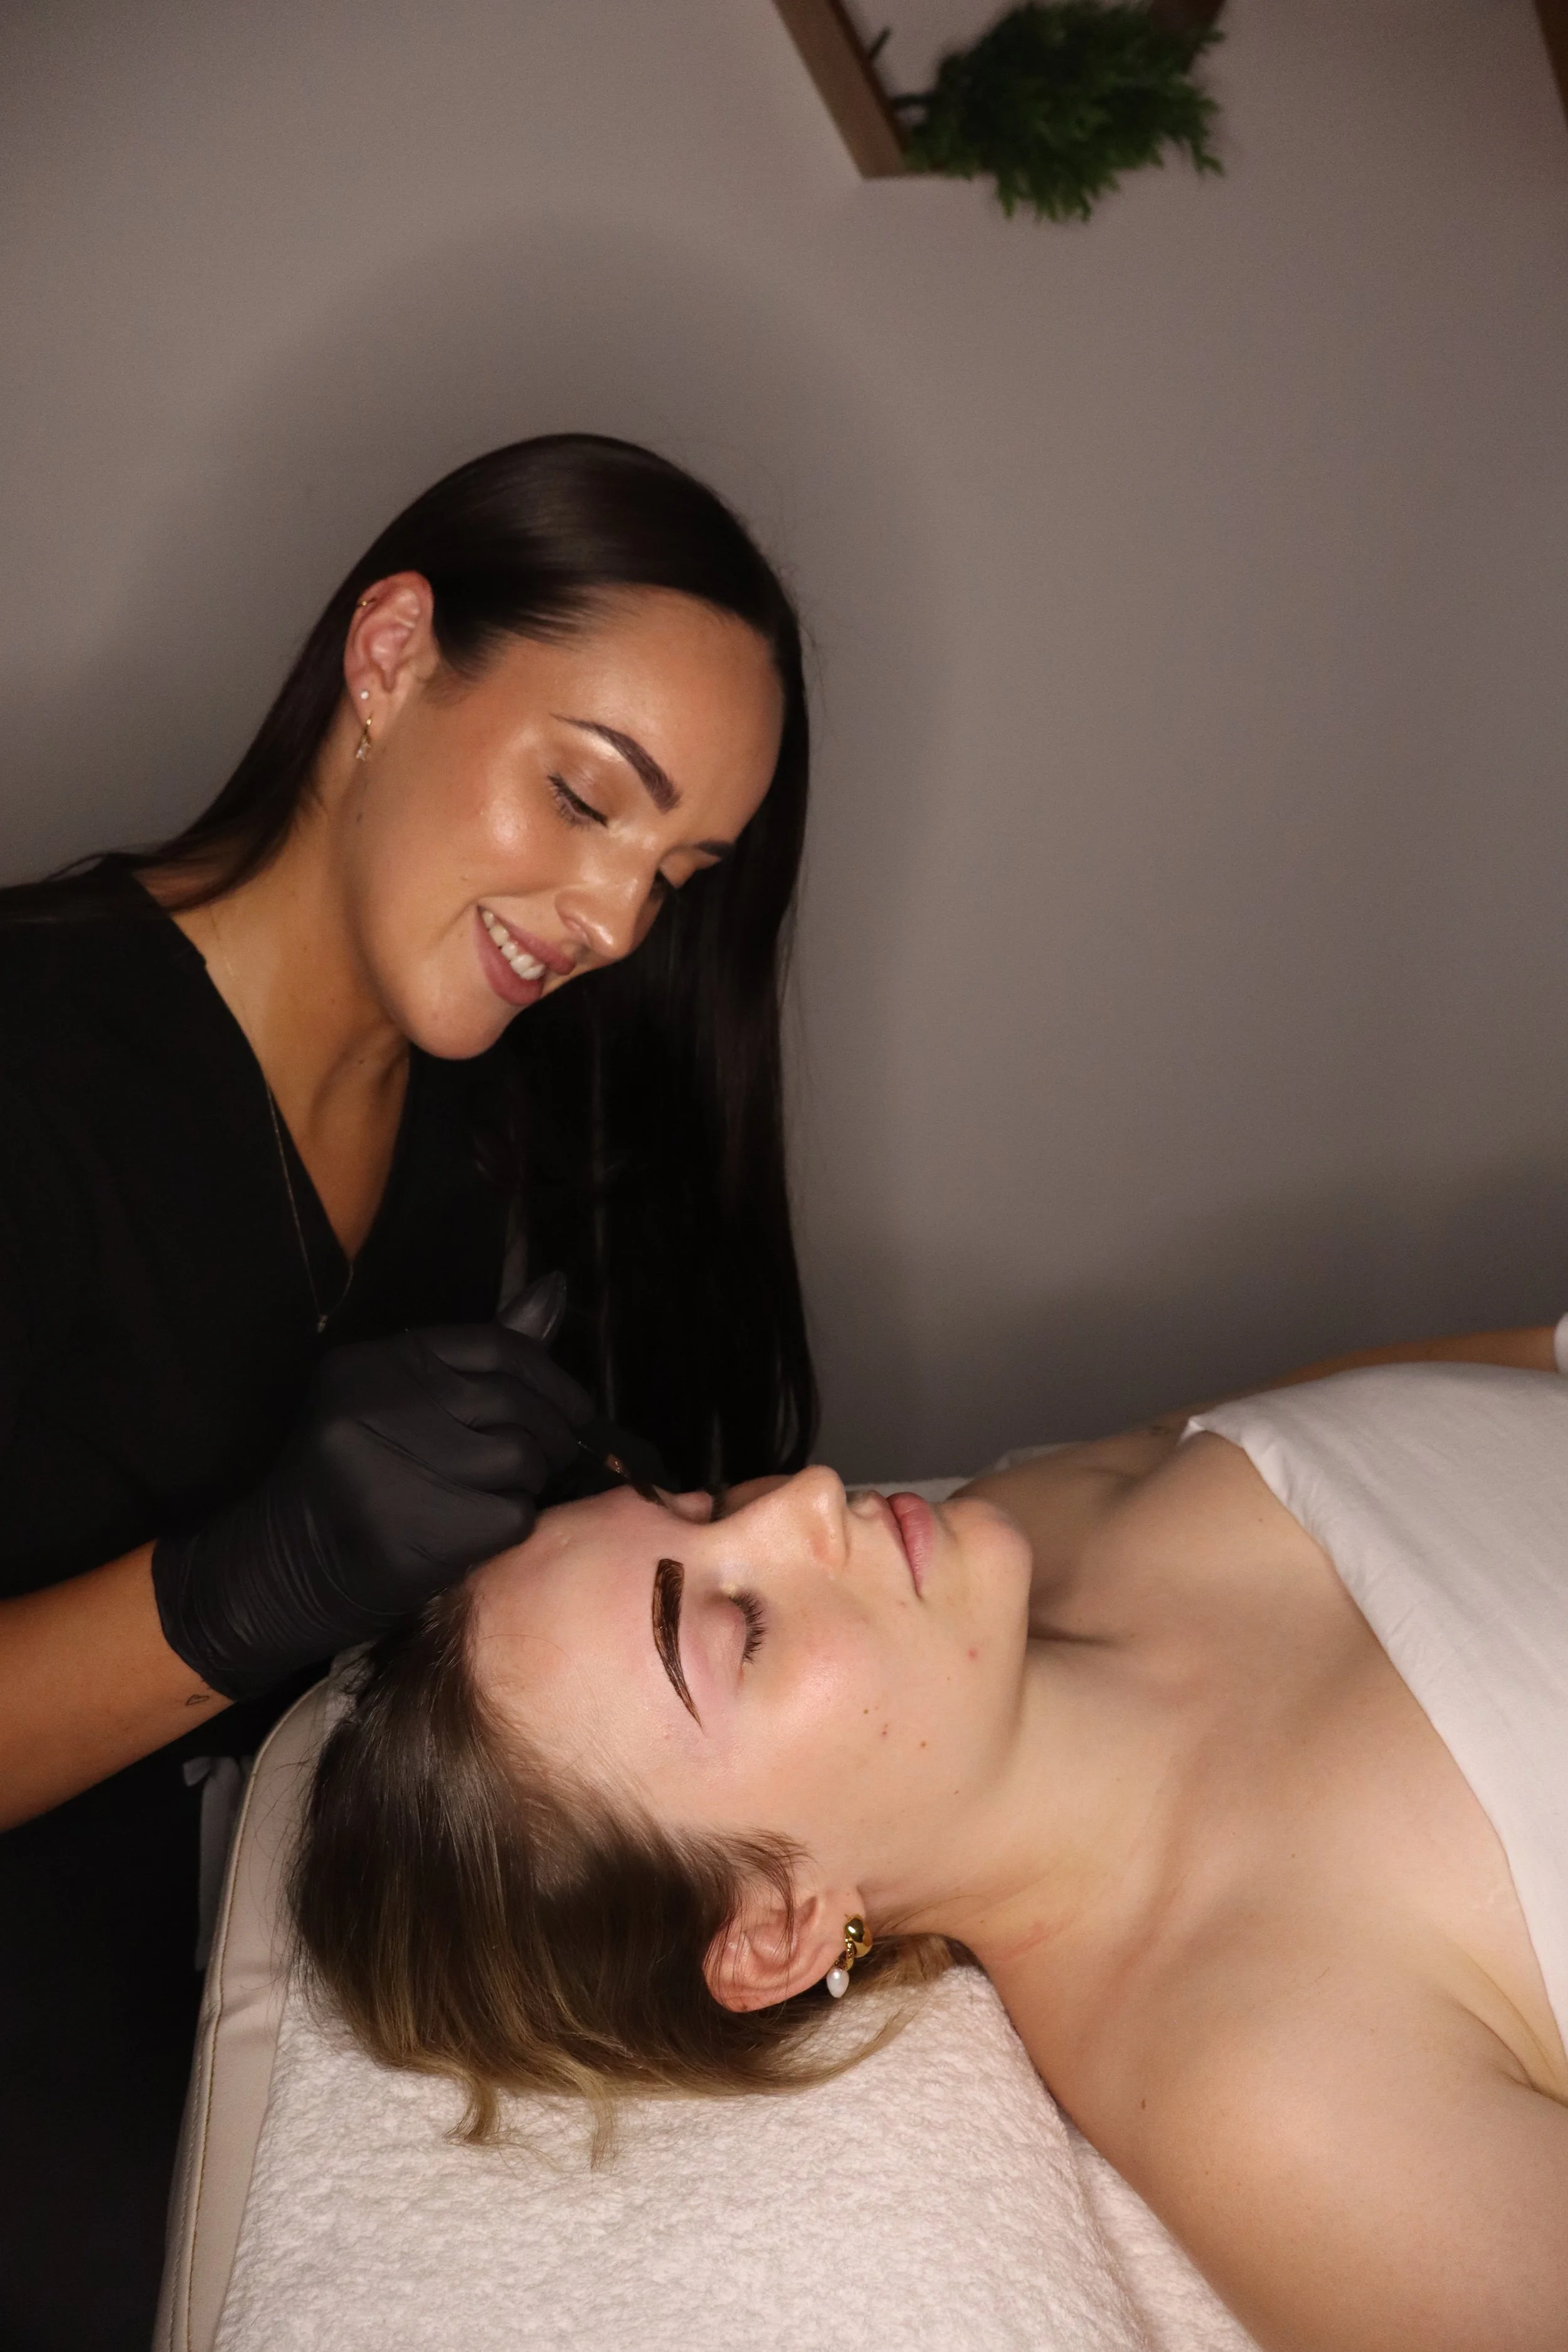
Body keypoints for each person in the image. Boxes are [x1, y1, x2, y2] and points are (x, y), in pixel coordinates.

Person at [0, 432, 818, 2352]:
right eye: (585, 796)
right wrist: (238, 1589)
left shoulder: (489, 1124)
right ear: (388, 657)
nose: (614, 919)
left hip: (267, 1982)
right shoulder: (33, 1066)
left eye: (674, 873)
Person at [293, 1321, 1567, 2352]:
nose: (806, 1495)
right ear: (781, 1926)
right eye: (737, 1626)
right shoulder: (1269, 2095)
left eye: (703, 1506)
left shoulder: (1032, 1510)